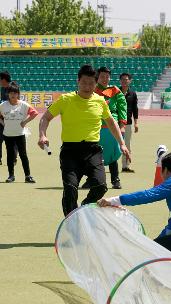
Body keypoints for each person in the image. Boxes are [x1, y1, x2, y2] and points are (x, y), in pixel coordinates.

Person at [38, 64, 130, 216]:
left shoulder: (100, 101)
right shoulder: (65, 99)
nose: (87, 87)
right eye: (84, 83)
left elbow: (111, 122)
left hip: (92, 150)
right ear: (78, 81)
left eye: (91, 83)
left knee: (101, 186)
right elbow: (45, 117)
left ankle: (84, 209)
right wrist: (42, 134)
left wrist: (122, 143)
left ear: (96, 83)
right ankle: (71, 222)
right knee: (70, 189)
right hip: (70, 151)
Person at [82, 66, 127, 190]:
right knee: (92, 154)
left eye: (107, 76)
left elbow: (122, 108)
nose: (105, 79)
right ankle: (91, 179)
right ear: (97, 77)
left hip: (111, 127)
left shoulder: (115, 90)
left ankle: (115, 180)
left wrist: (122, 125)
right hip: (94, 127)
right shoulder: (91, 90)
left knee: (112, 153)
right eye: (102, 76)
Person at [0, 82, 37, 183]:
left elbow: (34, 113)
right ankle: (11, 176)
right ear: (8, 94)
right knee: (10, 155)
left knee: (23, 155)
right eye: (11, 93)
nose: (13, 95)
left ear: (18, 94)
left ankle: (28, 176)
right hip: (8, 134)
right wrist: (3, 124)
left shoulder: (24, 105)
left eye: (15, 93)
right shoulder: (3, 105)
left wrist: (25, 122)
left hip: (20, 134)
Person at [119, 72, 138, 173]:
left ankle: (125, 166)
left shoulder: (133, 94)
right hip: (115, 123)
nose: (124, 81)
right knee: (112, 144)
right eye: (122, 79)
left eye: (126, 80)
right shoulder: (116, 92)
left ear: (130, 81)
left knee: (127, 145)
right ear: (120, 81)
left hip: (128, 123)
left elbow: (135, 109)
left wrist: (136, 123)